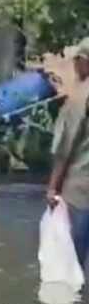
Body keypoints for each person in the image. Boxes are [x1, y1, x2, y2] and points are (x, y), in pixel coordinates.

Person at [47, 38, 89, 267]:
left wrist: (53, 187)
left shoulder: (80, 97)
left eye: (76, 61)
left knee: (70, 267)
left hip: (80, 194)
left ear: (84, 62)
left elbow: (65, 148)